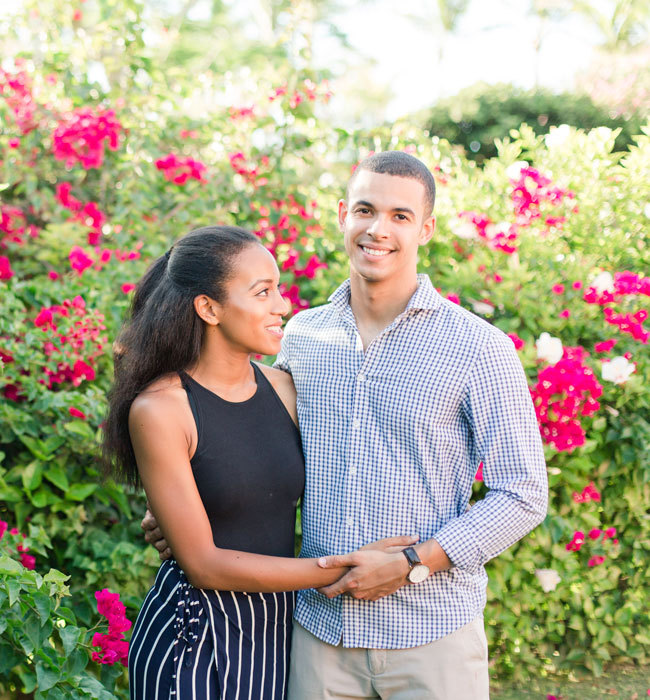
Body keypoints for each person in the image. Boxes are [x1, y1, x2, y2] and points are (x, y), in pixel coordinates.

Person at [144, 152, 548, 699]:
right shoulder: (300, 340)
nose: (378, 229)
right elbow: (237, 428)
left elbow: (522, 494)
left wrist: (413, 563)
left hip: (431, 634)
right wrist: (183, 507)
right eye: (365, 209)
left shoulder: (479, 349)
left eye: (400, 216)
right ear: (342, 216)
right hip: (316, 639)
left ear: (425, 228)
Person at [103, 225, 416, 700]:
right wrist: (345, 567)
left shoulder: (285, 390)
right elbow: (205, 564)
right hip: (196, 636)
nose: (282, 306)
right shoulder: (162, 410)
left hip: (277, 634)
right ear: (208, 308)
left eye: (278, 289)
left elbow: (352, 463)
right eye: (262, 292)